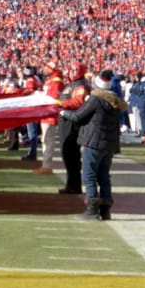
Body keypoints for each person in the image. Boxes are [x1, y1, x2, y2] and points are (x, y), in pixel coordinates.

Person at [60, 68, 127, 221]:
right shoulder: (115, 101)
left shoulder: (95, 100)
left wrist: (63, 112)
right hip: (109, 143)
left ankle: (91, 208)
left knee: (89, 174)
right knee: (104, 176)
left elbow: (78, 116)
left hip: (94, 141)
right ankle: (105, 210)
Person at [56, 64, 91, 194]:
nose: (72, 72)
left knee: (71, 154)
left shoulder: (81, 85)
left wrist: (62, 104)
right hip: (65, 121)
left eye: (75, 70)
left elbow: (78, 101)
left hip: (72, 122)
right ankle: (71, 184)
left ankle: (74, 186)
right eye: (71, 69)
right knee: (67, 154)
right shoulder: (72, 84)